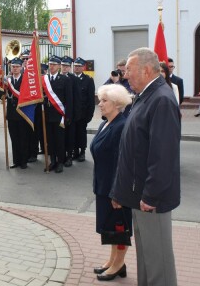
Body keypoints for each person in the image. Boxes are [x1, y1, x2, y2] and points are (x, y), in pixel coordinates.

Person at [111, 48, 180, 286]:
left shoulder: (161, 99)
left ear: (147, 70)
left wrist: (151, 195)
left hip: (152, 200)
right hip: (138, 194)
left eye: (129, 70)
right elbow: (133, 148)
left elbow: (163, 156)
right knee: (147, 259)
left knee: (158, 262)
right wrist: (121, 191)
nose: (125, 75)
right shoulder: (145, 96)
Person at [90, 84, 132, 281]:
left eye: (104, 101)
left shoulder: (121, 126)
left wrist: (118, 192)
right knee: (110, 226)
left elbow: (122, 163)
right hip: (103, 183)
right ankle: (113, 260)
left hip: (115, 187)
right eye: (100, 100)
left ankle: (119, 264)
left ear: (117, 104)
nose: (100, 104)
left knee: (119, 228)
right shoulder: (106, 123)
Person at [44, 56, 73, 173]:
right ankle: (53, 161)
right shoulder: (45, 79)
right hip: (47, 114)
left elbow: (69, 99)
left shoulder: (65, 80)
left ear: (59, 66)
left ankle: (60, 161)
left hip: (60, 115)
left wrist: (69, 116)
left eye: (54, 65)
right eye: (50, 64)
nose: (52, 67)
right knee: (50, 140)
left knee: (59, 139)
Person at [6, 57, 32, 169]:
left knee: (23, 138)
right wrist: (2, 94)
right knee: (14, 138)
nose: (15, 69)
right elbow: (2, 94)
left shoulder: (25, 80)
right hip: (11, 114)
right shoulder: (8, 80)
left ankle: (23, 161)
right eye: (13, 67)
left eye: (17, 67)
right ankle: (16, 160)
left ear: (21, 67)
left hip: (22, 113)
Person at [72, 57, 96, 162]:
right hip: (73, 112)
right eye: (75, 66)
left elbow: (91, 99)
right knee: (73, 132)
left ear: (83, 67)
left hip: (82, 112)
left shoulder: (88, 80)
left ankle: (82, 152)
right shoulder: (70, 78)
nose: (76, 68)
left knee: (81, 132)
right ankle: (75, 151)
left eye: (79, 66)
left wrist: (89, 114)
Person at [60, 56, 80, 167]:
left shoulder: (74, 79)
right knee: (60, 136)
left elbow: (76, 98)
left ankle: (69, 157)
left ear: (70, 67)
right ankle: (61, 156)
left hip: (69, 112)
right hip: (59, 112)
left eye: (67, 66)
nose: (64, 68)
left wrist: (74, 114)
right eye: (63, 65)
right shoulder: (57, 77)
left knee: (70, 136)